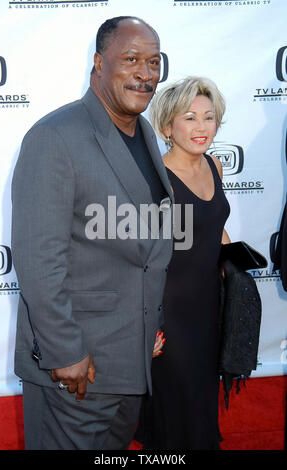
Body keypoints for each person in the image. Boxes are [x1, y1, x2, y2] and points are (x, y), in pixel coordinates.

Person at [11, 16, 173, 450]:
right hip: (77, 372)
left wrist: (150, 326)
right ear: (98, 64)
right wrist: (65, 353)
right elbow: (38, 260)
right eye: (132, 59)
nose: (146, 73)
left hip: (129, 366)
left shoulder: (146, 134)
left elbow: (145, 246)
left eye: (155, 62)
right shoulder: (54, 137)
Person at [136, 76, 231, 450]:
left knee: (202, 404)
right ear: (167, 126)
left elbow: (216, 229)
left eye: (209, 118)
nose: (202, 127)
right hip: (170, 313)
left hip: (210, 307)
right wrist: (149, 325)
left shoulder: (215, 166)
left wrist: (237, 263)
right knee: (175, 410)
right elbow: (140, 258)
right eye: (190, 118)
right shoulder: (155, 180)